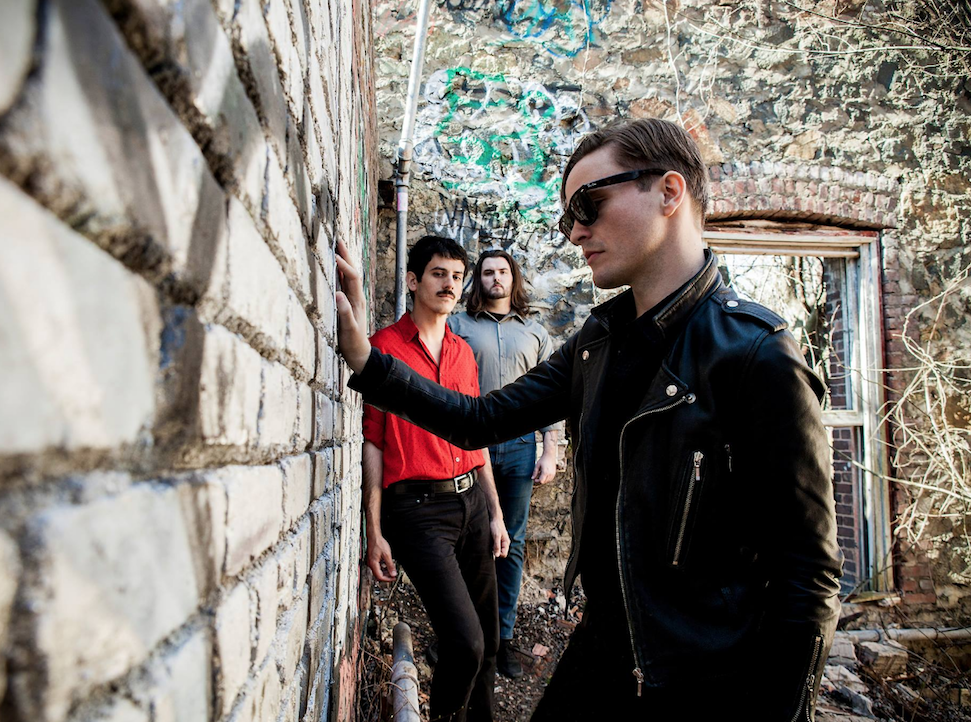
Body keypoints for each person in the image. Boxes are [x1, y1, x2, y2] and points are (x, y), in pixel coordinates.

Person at [339, 119, 842, 720]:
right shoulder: (597, 341)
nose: (576, 231)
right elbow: (480, 419)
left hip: (702, 684)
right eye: (568, 217)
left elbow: (809, 577)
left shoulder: (756, 354)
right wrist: (368, 362)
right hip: (602, 653)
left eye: (589, 205)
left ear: (669, 192)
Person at [360, 235, 510, 722]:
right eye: (438, 274)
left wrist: (495, 513)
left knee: (488, 641)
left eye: (457, 276)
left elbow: (476, 437)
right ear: (413, 280)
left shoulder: (463, 353)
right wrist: (374, 531)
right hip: (417, 512)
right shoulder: (383, 349)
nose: (449, 284)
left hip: (472, 503)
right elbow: (373, 443)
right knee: (465, 643)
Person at [448, 249, 560, 679]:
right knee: (465, 537)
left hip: (518, 448)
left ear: (514, 279)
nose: (495, 278)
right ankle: (462, 634)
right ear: (478, 280)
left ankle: (503, 639)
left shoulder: (535, 333)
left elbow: (552, 395)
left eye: (502, 272)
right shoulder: (457, 326)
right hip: (468, 445)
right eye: (487, 272)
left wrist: (550, 448)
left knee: (509, 542)